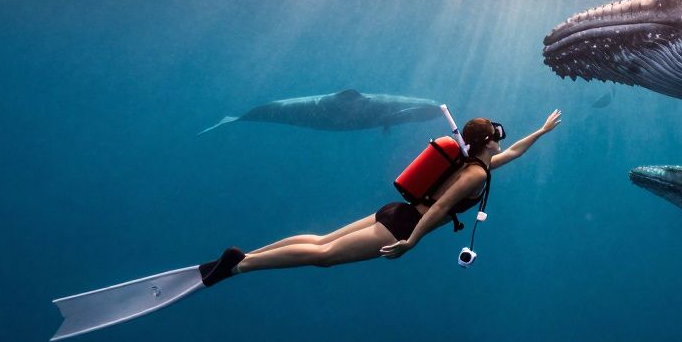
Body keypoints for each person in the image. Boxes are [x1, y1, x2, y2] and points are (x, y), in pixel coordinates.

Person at [200, 110, 562, 283]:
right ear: (487, 142)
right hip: (403, 225)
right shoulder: (473, 175)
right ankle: (239, 265)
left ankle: (248, 254)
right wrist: (411, 243)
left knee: (322, 241)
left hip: (395, 211)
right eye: (497, 135)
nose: (501, 139)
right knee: (324, 256)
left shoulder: (473, 164)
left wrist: (542, 131)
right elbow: (439, 209)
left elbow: (514, 152)